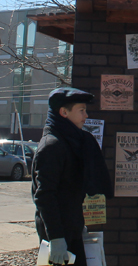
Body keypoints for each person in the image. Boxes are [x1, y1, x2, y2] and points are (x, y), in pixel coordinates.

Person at [32, 87, 113, 266]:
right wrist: (56, 238)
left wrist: (78, 226)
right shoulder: (52, 146)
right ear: (63, 112)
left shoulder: (74, 142)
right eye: (82, 110)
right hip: (57, 235)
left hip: (72, 229)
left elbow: (71, 193)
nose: (86, 115)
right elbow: (44, 196)